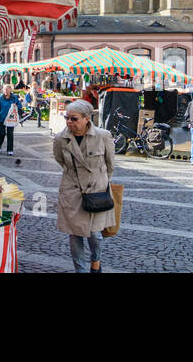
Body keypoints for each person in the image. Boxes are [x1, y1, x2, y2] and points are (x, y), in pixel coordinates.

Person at [51, 99, 115, 273]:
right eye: (67, 118)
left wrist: (100, 180)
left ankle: (96, 260)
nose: (69, 122)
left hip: (97, 192)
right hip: (72, 192)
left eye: (74, 118)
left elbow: (110, 164)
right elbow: (60, 160)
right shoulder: (60, 139)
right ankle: (80, 270)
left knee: (95, 234)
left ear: (87, 118)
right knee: (75, 234)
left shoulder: (103, 136)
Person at [0, 83, 23, 156]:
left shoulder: (14, 97)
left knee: (10, 134)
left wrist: (17, 105)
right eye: (4, 89)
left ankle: (10, 150)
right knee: (2, 133)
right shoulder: (0, 98)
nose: (5, 91)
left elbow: (20, 105)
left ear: (10, 90)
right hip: (1, 119)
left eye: (7, 89)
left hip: (10, 119)